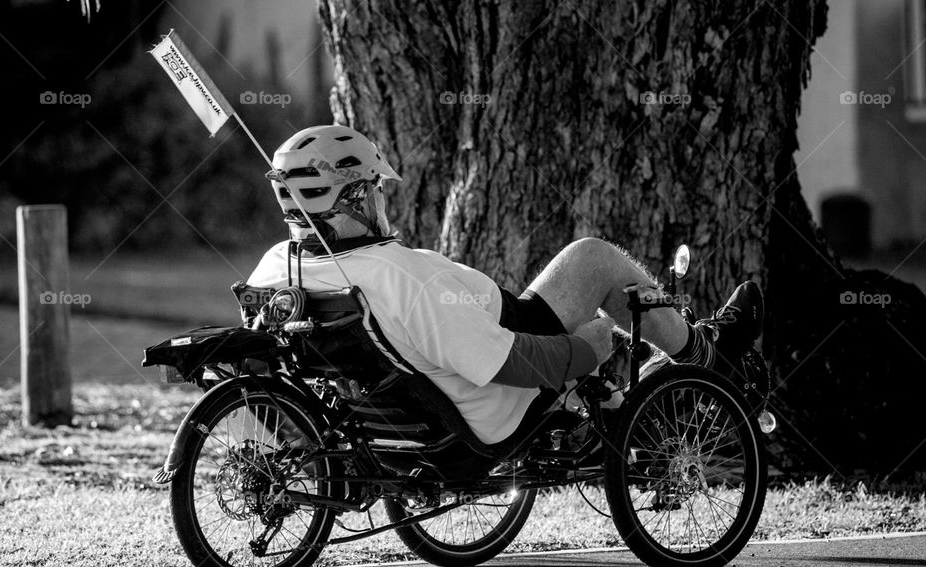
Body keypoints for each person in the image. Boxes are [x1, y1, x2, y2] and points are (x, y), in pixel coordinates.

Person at [248, 125, 763, 445]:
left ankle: (639, 394)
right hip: (497, 382)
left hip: (393, 409)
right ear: (356, 197)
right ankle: (705, 352)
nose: (383, 200)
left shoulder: (277, 267)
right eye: (377, 189)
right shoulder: (398, 279)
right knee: (595, 257)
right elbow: (507, 363)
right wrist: (586, 348)